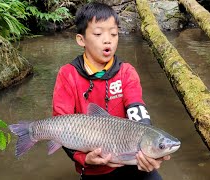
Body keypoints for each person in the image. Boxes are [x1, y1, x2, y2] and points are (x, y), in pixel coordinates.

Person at [52, 2, 170, 180]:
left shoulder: (126, 72)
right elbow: (59, 125)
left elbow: (137, 109)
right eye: (98, 34)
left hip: (133, 161)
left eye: (113, 34)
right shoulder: (67, 74)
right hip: (93, 168)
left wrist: (150, 145)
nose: (108, 40)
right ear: (81, 40)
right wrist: (84, 158)